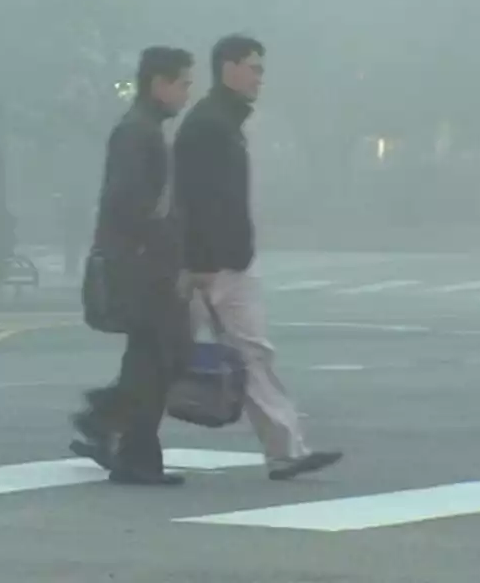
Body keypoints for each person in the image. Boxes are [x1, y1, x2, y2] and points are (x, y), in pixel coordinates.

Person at [174, 34, 343, 481]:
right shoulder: (208, 126)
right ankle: (112, 425)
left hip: (224, 260)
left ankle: (285, 449)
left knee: (244, 355)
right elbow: (194, 199)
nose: (260, 78)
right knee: (180, 356)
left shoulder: (221, 123)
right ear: (228, 68)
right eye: (255, 68)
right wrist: (197, 262)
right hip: (214, 265)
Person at [72, 46, 195, 486]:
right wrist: (163, 253)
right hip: (143, 269)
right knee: (161, 356)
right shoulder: (136, 133)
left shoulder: (144, 129)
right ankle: (113, 425)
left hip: (146, 265)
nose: (186, 94)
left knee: (152, 360)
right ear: (158, 83)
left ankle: (124, 441)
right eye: (183, 83)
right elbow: (129, 205)